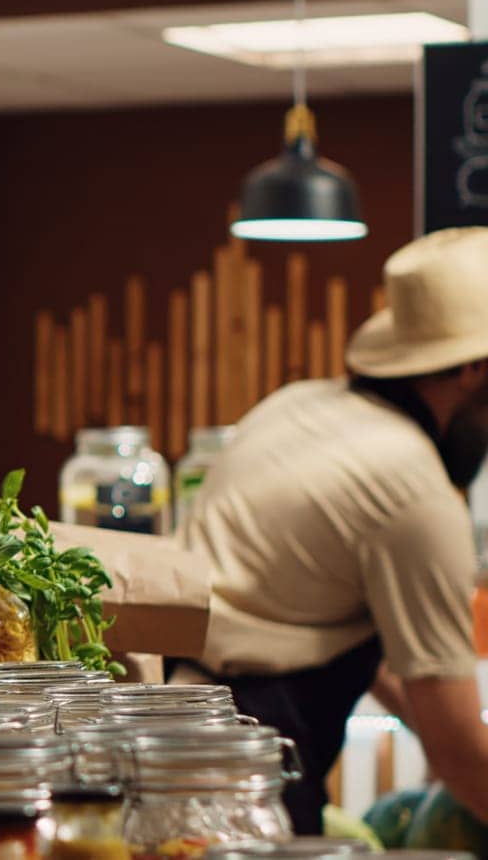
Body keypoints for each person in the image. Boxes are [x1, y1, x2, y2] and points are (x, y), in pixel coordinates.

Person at [173, 226, 488, 833]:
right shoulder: (414, 494)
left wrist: (443, 723)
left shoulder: (298, 405)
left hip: (165, 738)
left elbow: (317, 615)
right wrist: (461, 743)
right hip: (250, 776)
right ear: (474, 369)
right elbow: (458, 755)